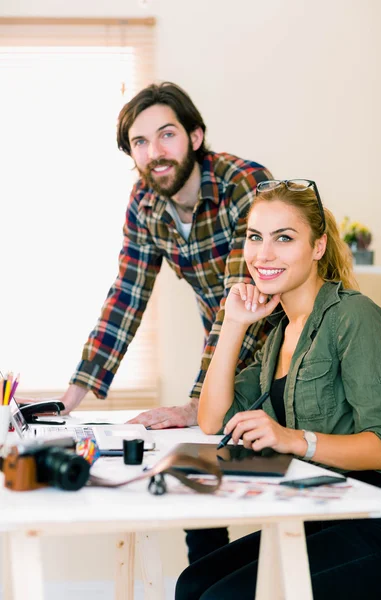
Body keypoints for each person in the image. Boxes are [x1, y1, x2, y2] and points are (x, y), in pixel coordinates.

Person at [57, 81, 273, 562]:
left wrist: (199, 401)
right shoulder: (145, 203)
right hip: (223, 353)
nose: (154, 152)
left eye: (167, 135)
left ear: (196, 136)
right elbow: (126, 297)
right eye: (139, 142)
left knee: (267, 485)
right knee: (199, 491)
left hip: (279, 351)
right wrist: (68, 398)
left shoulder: (244, 184)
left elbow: (238, 302)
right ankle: (208, 579)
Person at [175, 179, 381, 600]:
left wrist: (290, 439)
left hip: (375, 522)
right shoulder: (277, 331)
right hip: (314, 513)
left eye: (284, 238)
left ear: (317, 247)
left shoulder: (354, 317)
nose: (264, 254)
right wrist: (235, 323)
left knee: (222, 598)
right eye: (255, 237)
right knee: (193, 585)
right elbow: (210, 419)